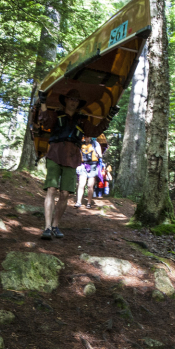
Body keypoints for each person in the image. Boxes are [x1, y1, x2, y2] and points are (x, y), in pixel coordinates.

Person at [37, 89, 105, 240]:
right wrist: (43, 102)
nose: (73, 102)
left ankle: (55, 226)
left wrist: (108, 117)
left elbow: (95, 131)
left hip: (72, 157)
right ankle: (47, 227)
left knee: (65, 193)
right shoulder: (56, 115)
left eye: (76, 100)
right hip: (55, 154)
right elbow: (46, 121)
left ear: (78, 103)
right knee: (51, 189)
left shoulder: (82, 120)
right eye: (71, 99)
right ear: (66, 100)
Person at [76, 136, 103, 208]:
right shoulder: (81, 144)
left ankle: (89, 203)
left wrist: (98, 155)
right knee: (81, 184)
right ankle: (78, 202)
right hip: (83, 165)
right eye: (85, 136)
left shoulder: (95, 144)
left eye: (88, 136)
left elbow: (100, 155)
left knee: (90, 186)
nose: (86, 137)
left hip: (93, 166)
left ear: (90, 137)